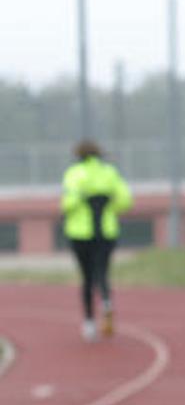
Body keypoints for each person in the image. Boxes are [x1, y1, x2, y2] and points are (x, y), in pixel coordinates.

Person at [61, 140, 133, 342]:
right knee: (102, 272)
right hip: (106, 232)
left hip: (80, 233)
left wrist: (81, 200)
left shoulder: (75, 174)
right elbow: (126, 200)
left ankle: (89, 323)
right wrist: (109, 207)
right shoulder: (109, 173)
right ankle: (106, 302)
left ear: (78, 155)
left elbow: (67, 204)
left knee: (86, 278)